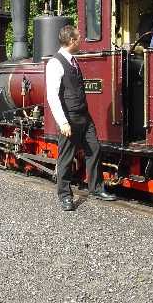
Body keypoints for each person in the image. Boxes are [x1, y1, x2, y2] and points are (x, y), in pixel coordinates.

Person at [46, 25, 117, 211]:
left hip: (84, 116)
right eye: (78, 38)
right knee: (66, 158)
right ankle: (65, 196)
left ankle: (96, 188)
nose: (80, 41)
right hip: (69, 118)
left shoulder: (73, 60)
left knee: (94, 149)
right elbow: (52, 96)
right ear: (71, 41)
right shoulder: (55, 63)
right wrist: (62, 122)